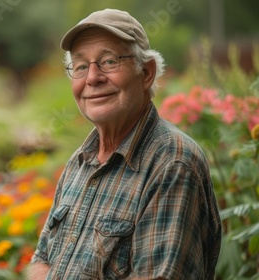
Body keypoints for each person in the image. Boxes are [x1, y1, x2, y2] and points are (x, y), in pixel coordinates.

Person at [27, 8, 222, 280]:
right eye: (81, 66)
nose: (92, 78)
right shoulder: (81, 160)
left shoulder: (172, 163)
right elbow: (41, 261)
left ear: (146, 73)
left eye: (108, 61)